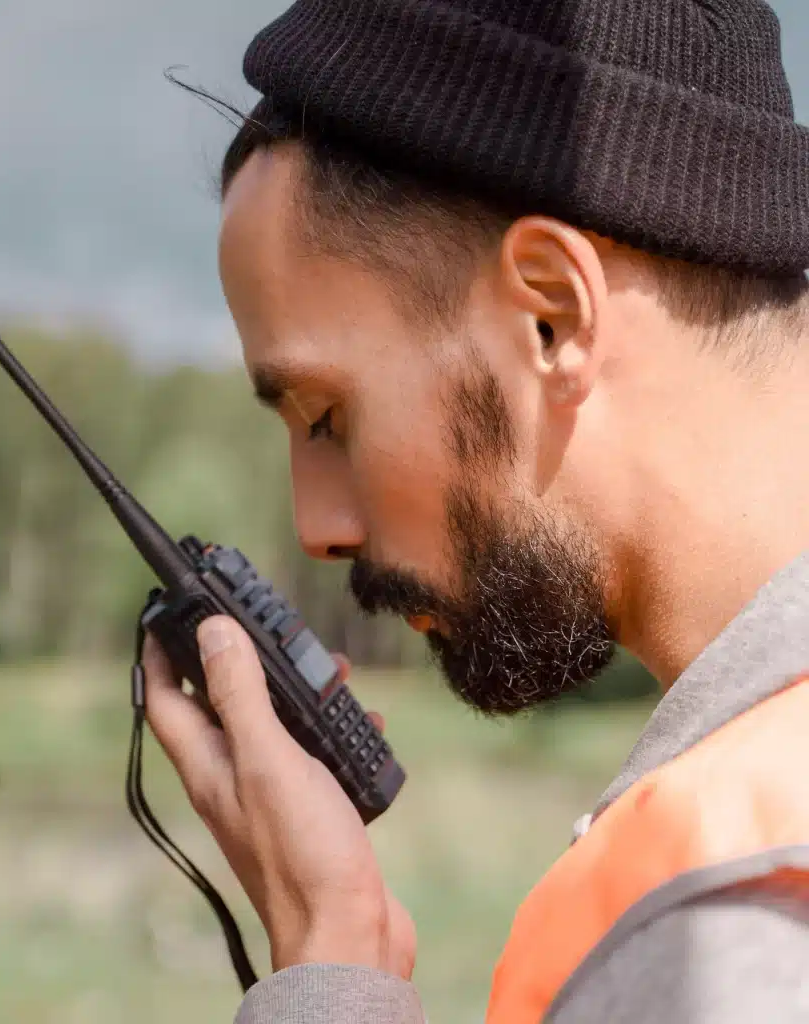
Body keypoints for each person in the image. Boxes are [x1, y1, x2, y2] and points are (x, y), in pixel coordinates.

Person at [143, 1, 809, 1020]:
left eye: (325, 416)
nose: (320, 526)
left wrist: (327, 966)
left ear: (552, 314)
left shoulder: (717, 923)